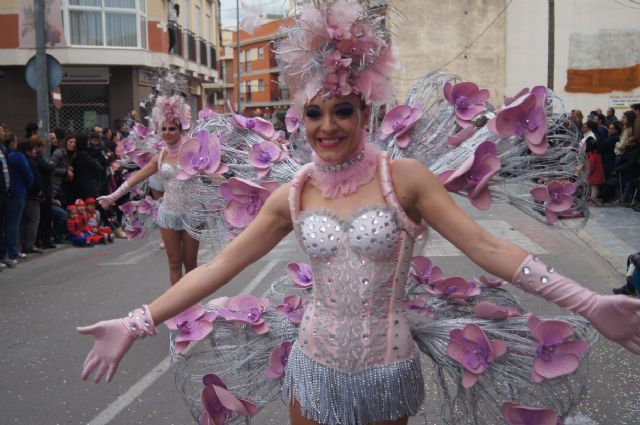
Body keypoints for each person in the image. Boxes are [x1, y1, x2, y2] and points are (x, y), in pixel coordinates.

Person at [79, 4, 640, 425]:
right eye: (316, 112)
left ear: (365, 108)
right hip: (313, 365)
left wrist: (590, 303)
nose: (328, 126)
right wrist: (136, 322)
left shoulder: (404, 179)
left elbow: (490, 250)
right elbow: (216, 269)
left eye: (342, 110)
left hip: (386, 370)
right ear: (301, 114)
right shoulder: (293, 192)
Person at [97, 88, 199, 286]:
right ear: (159, 131)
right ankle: (177, 309)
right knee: (174, 263)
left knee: (191, 264)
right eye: (164, 129)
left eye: (172, 129)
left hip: (192, 213)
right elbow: (133, 180)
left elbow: (212, 174)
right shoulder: (159, 157)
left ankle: (193, 307)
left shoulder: (193, 151)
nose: (168, 133)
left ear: (181, 130)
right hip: (168, 213)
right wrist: (112, 197)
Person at [18, 138, 43, 254]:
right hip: (32, 195)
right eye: (33, 150)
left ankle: (22, 243)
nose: (35, 152)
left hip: (23, 194)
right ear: (28, 151)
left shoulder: (18, 160)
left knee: (24, 220)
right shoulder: (31, 163)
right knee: (33, 219)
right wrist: (39, 190)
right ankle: (29, 244)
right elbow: (34, 180)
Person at [69, 134, 104, 203]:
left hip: (78, 185)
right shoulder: (83, 155)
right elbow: (99, 167)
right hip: (87, 186)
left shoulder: (76, 154)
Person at [51, 134, 75, 207]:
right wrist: (65, 172)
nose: (72, 144)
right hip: (56, 184)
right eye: (70, 142)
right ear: (66, 142)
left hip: (65, 184)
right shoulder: (59, 152)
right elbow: (52, 168)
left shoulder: (72, 155)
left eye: (74, 142)